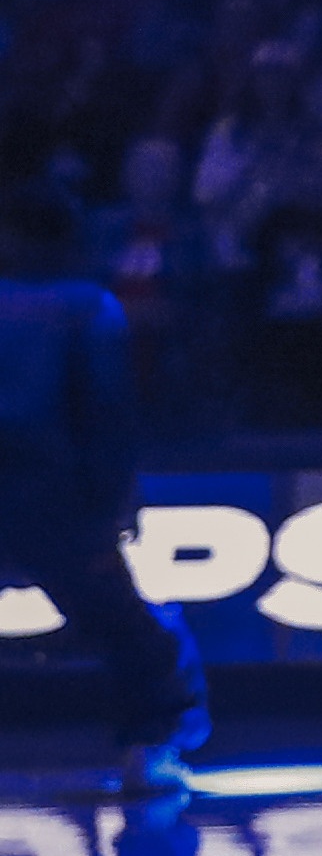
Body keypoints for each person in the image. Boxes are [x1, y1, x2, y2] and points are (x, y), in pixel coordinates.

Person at [0, 197, 205, 793]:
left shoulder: (82, 308)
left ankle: (151, 745)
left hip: (47, 490)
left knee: (125, 627)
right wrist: (113, 499)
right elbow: (108, 412)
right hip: (55, 496)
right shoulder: (89, 307)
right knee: (127, 630)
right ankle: (150, 748)